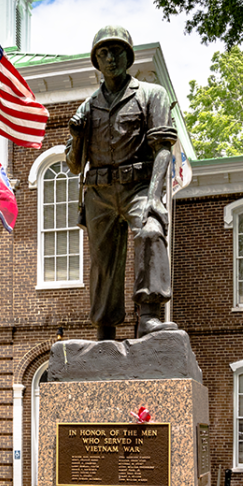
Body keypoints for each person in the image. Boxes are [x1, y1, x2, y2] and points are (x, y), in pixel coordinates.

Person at [65, 25, 178, 341]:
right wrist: (76, 136)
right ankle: (105, 330)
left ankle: (150, 317)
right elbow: (74, 164)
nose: (110, 58)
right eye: (103, 53)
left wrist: (155, 197)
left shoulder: (151, 94)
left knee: (151, 231)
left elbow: (163, 150)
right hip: (99, 192)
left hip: (137, 186)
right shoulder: (88, 105)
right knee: (103, 261)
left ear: (128, 56)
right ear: (96, 61)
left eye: (116, 51)